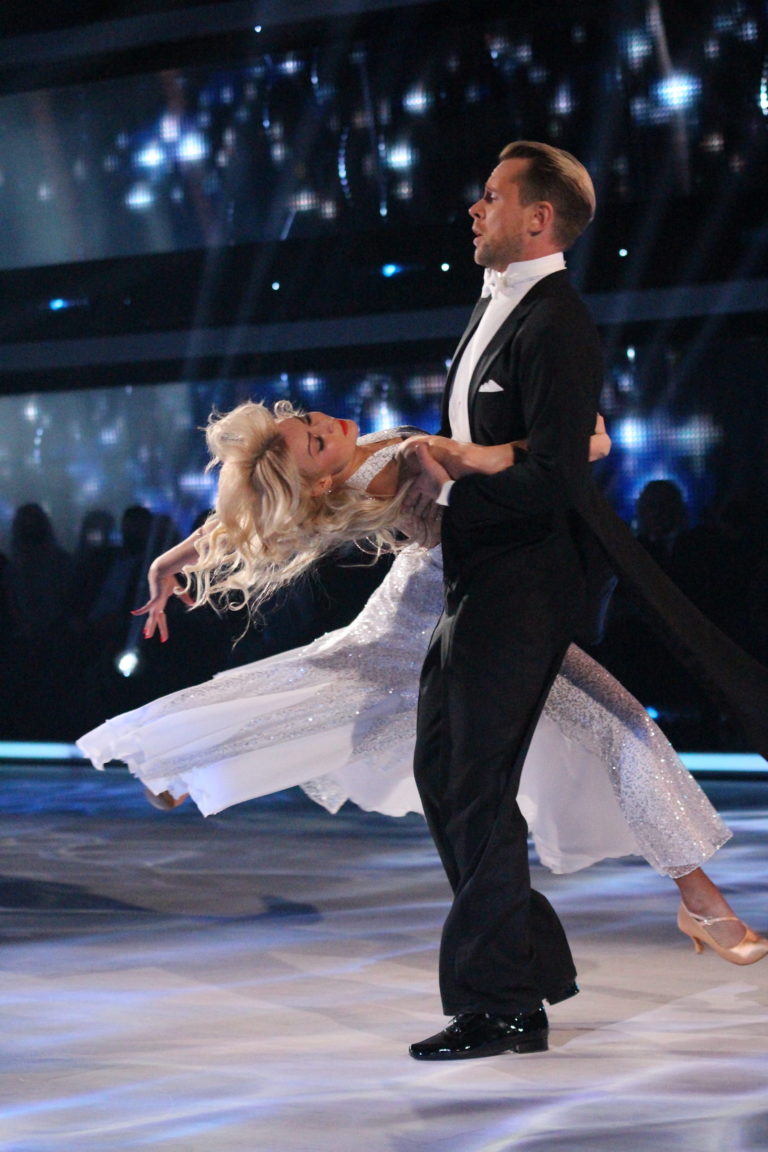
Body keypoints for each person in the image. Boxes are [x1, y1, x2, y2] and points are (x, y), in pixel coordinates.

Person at [78, 401, 767, 977]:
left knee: (615, 727)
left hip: (472, 614)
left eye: (312, 421)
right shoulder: (398, 463)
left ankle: (180, 763)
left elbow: (245, 520)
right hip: (438, 625)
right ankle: (178, 761)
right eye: (315, 442)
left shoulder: (359, 462)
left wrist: (170, 560)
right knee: (326, 704)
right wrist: (578, 440)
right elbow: (502, 460)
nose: (327, 426)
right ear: (321, 478)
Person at [387, 140, 765, 1063]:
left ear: (538, 218)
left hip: (525, 581)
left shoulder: (558, 323)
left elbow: (555, 477)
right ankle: (524, 974)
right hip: (478, 576)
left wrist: (454, 479)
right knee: (446, 774)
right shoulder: (498, 306)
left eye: (492, 196)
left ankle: (502, 1004)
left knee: (473, 781)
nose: (475, 209)